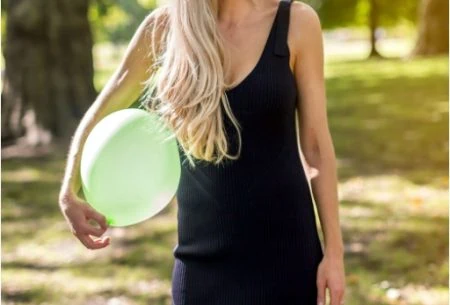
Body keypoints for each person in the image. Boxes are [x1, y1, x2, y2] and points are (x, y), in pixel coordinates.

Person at [58, 0, 346, 304]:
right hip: (201, 263)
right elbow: (104, 108)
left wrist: (334, 254)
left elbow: (315, 147)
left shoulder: (296, 23)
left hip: (288, 256)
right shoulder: (166, 28)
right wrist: (69, 189)